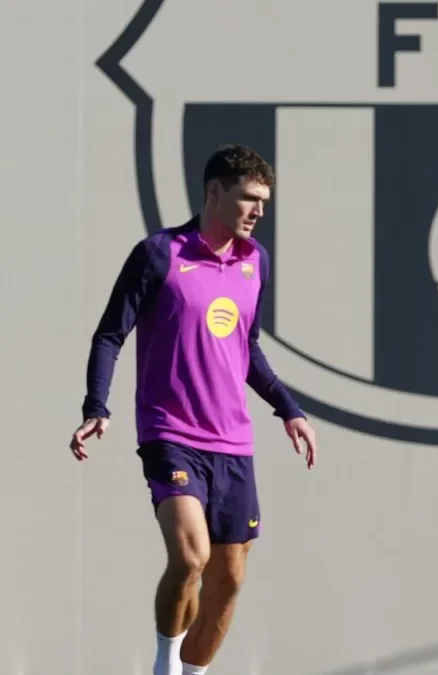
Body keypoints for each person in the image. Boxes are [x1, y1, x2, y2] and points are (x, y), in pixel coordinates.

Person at [69, 144, 318, 675]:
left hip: (233, 443)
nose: (258, 211)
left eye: (264, 202)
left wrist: (289, 408)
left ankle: (193, 673)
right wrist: (97, 405)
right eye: (248, 198)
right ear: (213, 192)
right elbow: (110, 334)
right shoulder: (159, 253)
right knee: (190, 558)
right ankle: (164, 665)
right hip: (171, 434)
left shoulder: (255, 262)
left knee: (229, 580)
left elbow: (247, 349)